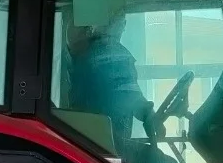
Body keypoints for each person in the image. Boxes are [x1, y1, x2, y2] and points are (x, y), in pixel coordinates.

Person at [68, 11, 161, 153]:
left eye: (123, 20)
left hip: (93, 140)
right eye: (119, 19)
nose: (123, 26)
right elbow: (132, 98)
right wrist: (150, 116)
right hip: (107, 145)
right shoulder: (112, 55)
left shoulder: (90, 54)